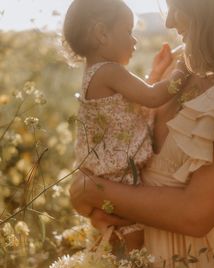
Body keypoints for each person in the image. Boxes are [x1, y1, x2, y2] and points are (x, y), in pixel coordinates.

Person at [69, 0, 214, 268]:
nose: (171, 21)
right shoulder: (180, 62)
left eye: (179, 7)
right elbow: (125, 139)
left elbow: (196, 213)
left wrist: (89, 189)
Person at [63, 0, 189, 246]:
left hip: (107, 174)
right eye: (128, 32)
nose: (135, 41)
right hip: (121, 176)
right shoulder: (110, 71)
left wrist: (155, 75)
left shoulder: (95, 72)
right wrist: (182, 69)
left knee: (118, 239)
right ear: (102, 33)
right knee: (133, 241)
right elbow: (152, 97)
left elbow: (132, 105)